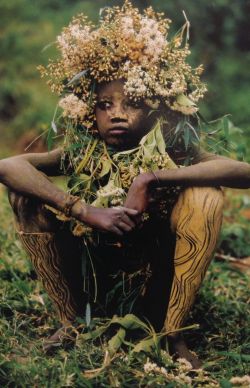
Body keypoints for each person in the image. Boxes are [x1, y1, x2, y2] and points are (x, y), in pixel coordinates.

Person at [0, 1, 249, 368]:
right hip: (98, 281)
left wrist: (152, 177)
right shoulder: (83, 151)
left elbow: (242, 171)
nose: (117, 113)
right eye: (105, 104)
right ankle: (72, 321)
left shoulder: (175, 150)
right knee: (26, 196)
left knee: (205, 195)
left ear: (155, 110)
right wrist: (82, 209)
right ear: (91, 112)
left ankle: (172, 332)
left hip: (157, 283)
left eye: (132, 103)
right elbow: (8, 166)